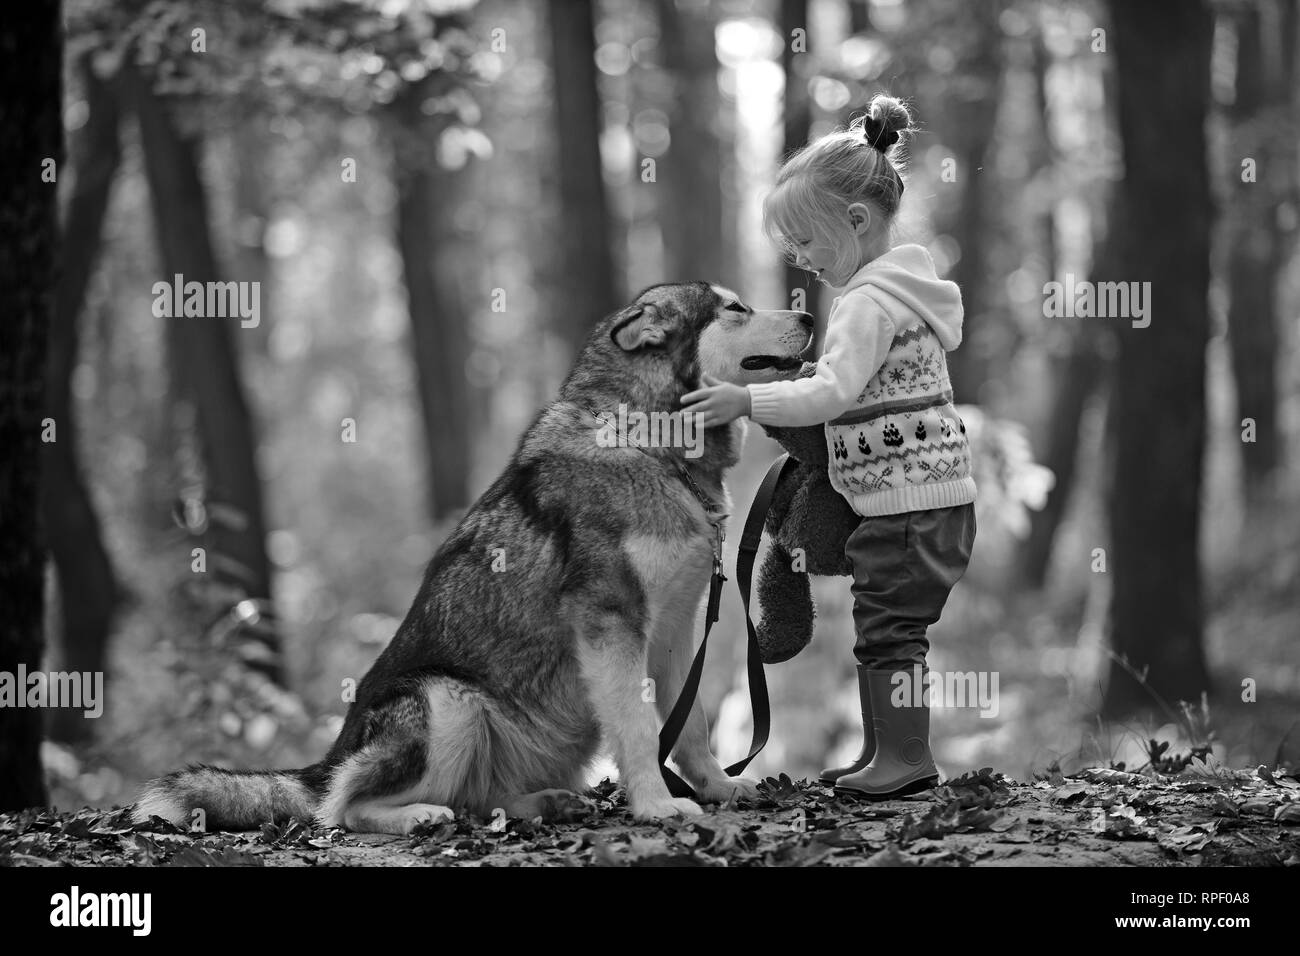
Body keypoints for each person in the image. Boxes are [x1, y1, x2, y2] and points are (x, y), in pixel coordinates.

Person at [682, 94, 977, 798]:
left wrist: (747, 400)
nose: (801, 260)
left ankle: (904, 758)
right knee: (887, 630)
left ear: (855, 221)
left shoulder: (870, 304)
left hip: (911, 504)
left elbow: (831, 394)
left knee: (890, 634)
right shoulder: (905, 292)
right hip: (923, 498)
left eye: (807, 243)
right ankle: (891, 754)